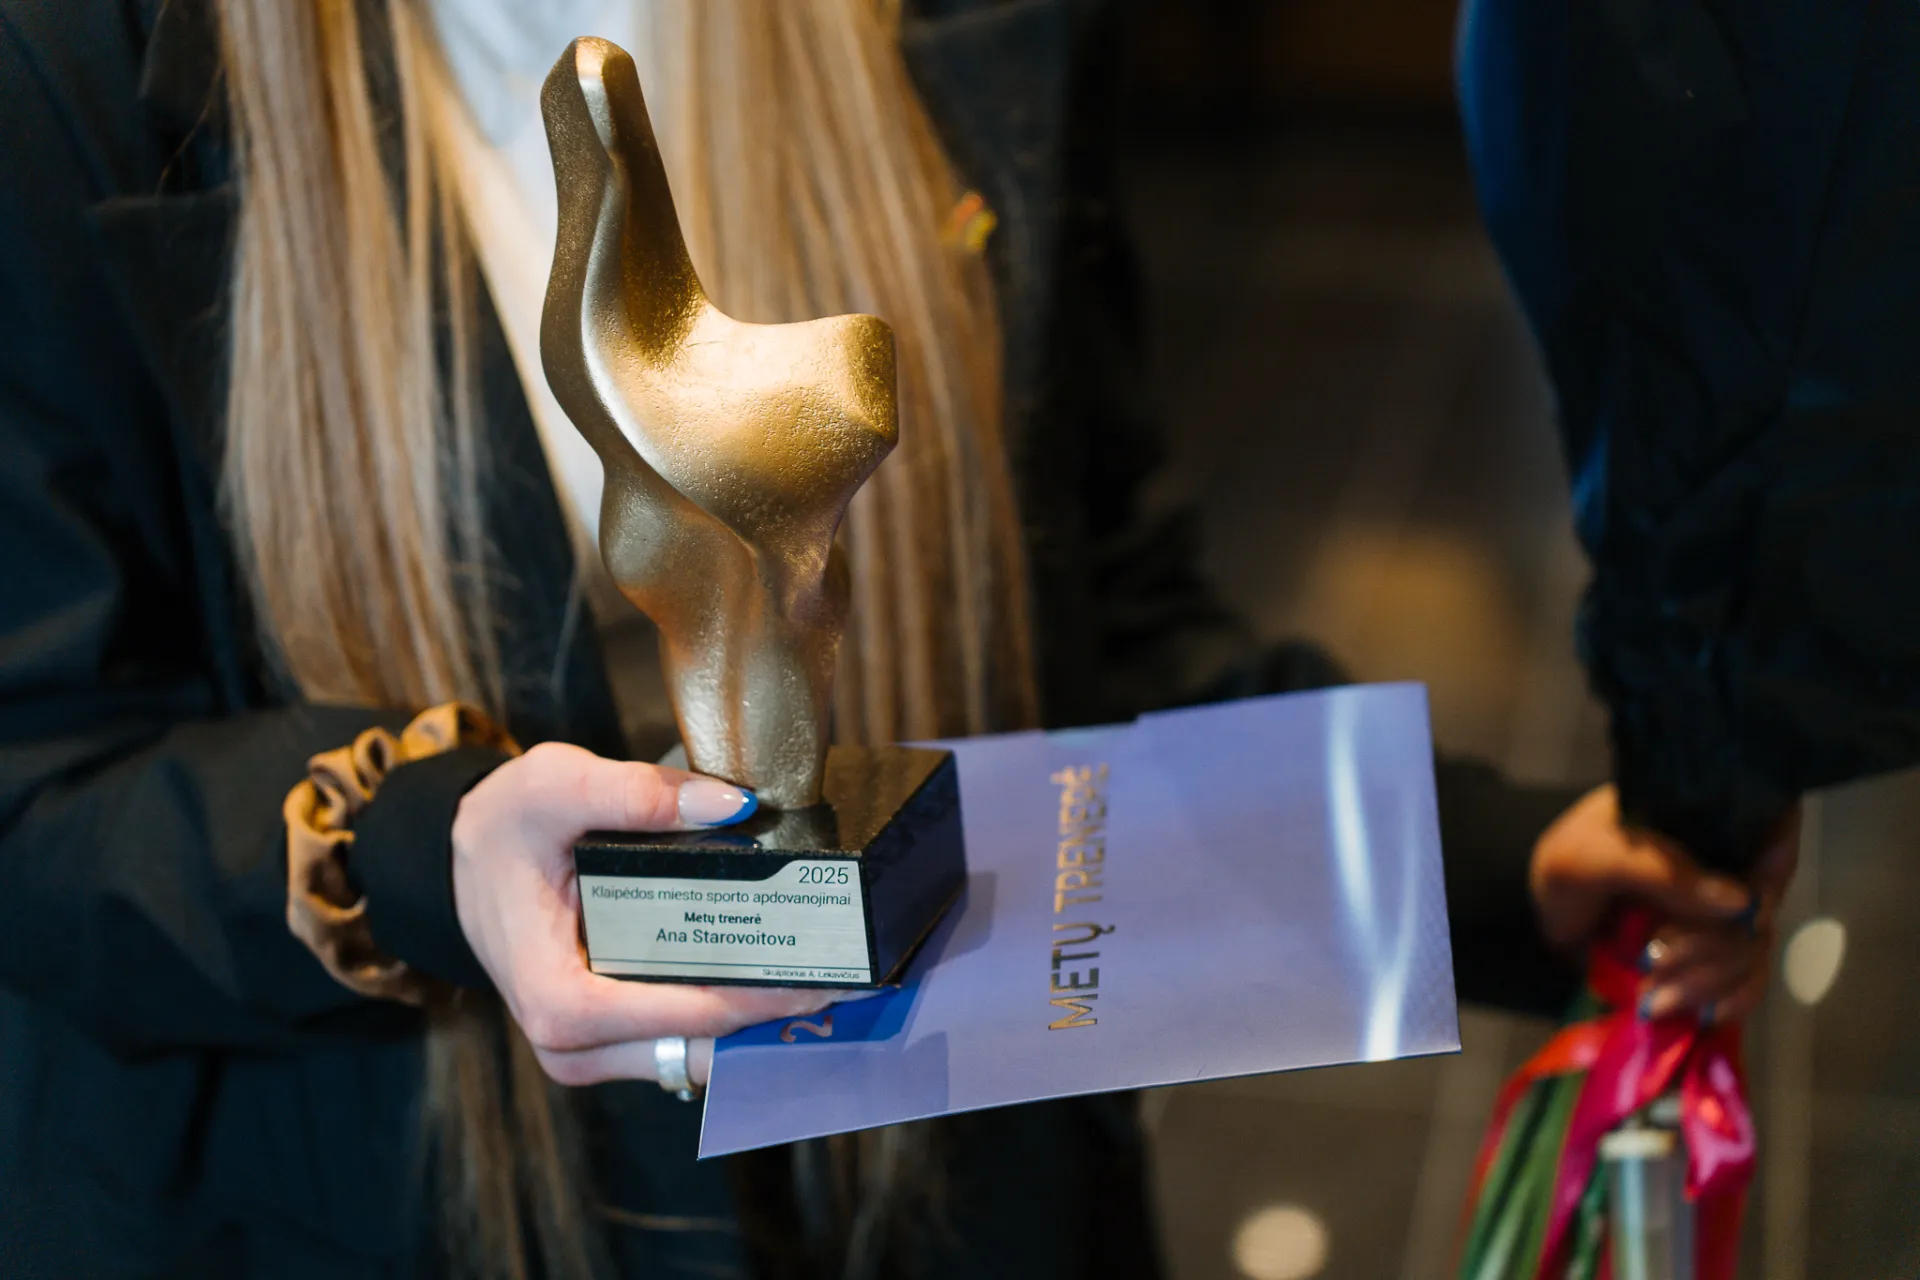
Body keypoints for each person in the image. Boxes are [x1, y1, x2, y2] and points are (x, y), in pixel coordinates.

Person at [0, 1, 1784, 1278]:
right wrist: (413, 847)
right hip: (370, 1196)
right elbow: (44, 782)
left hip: (945, 1188)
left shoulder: (962, 28)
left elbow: (1098, 618)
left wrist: (1489, 855)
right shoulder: (76, 68)